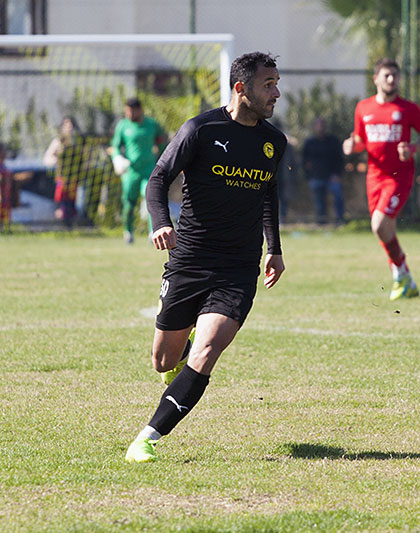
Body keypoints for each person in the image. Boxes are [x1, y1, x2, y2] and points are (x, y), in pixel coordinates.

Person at [125, 51, 286, 463]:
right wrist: (162, 222)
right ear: (240, 88)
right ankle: (181, 346)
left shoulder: (273, 142)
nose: (276, 93)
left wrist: (275, 249)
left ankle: (148, 437)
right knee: (164, 359)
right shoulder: (201, 129)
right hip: (190, 259)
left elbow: (269, 196)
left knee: (208, 350)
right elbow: (159, 178)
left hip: (237, 267)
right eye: (268, 84)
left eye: (276, 83)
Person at [343, 58, 420, 300]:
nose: (392, 80)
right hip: (374, 176)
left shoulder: (408, 109)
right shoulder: (363, 108)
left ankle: (400, 273)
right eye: (387, 76)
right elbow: (360, 139)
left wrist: (412, 148)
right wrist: (352, 145)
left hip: (399, 176)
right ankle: (405, 278)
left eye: (395, 76)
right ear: (376, 79)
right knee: (385, 229)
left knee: (379, 225)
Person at [110, 97, 166, 244]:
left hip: (148, 170)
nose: (129, 114)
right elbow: (115, 146)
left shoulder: (151, 124)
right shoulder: (123, 126)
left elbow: (161, 142)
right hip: (131, 172)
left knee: (150, 198)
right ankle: (127, 231)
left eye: (131, 111)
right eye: (126, 111)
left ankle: (152, 232)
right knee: (129, 203)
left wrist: (161, 158)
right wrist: (117, 159)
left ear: (139, 110)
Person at [44, 116, 86, 226]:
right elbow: (47, 158)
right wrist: (56, 160)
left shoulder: (79, 142)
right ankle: (64, 225)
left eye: (71, 124)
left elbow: (86, 158)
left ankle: (74, 226)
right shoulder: (58, 141)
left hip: (76, 180)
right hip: (63, 179)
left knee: (75, 206)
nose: (69, 127)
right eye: (67, 124)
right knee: (63, 205)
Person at [302, 117, 345, 225]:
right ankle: (322, 223)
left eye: (322, 125)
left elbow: (339, 159)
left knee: (338, 198)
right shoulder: (309, 142)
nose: (320, 128)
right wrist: (308, 176)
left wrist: (337, 174)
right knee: (319, 202)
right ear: (314, 127)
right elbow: (304, 161)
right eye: (318, 125)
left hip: (332, 177)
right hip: (316, 177)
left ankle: (339, 221)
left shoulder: (333, 141)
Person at [0, 143, 12, 231]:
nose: (5, 153)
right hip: (2, 197)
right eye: (3, 151)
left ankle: (6, 229)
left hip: (6, 196)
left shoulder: (4, 166)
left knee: (6, 215)